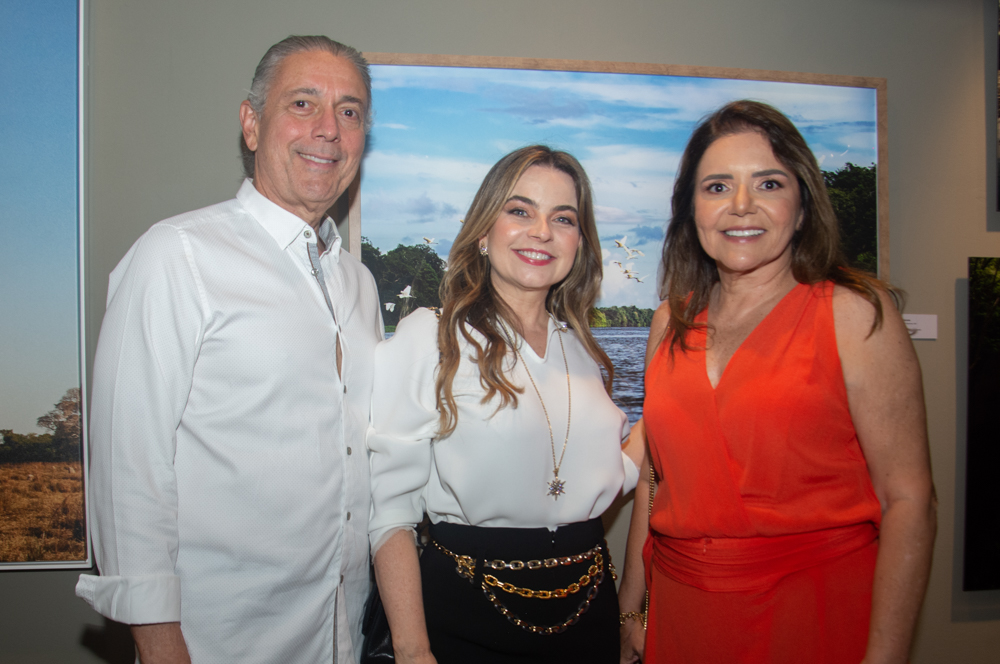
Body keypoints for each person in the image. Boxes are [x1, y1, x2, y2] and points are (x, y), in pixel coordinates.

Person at [75, 36, 382, 663]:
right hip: (217, 643)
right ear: (251, 123)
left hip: (340, 638)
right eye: (303, 103)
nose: (328, 129)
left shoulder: (360, 282)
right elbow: (127, 464)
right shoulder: (177, 256)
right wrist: (158, 641)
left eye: (349, 111)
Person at [618, 100, 937, 664]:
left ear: (802, 203)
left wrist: (885, 657)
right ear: (691, 209)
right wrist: (630, 604)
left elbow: (908, 499)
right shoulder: (670, 320)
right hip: (684, 615)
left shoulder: (854, 313)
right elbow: (654, 475)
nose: (741, 205)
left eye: (767, 182)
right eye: (717, 187)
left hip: (813, 613)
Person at [368, 145, 642, 664]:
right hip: (466, 622)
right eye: (520, 211)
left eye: (563, 218)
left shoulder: (582, 349)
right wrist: (411, 650)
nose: (542, 231)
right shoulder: (431, 335)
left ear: (580, 243)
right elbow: (390, 516)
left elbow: (598, 474)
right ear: (483, 231)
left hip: (591, 617)